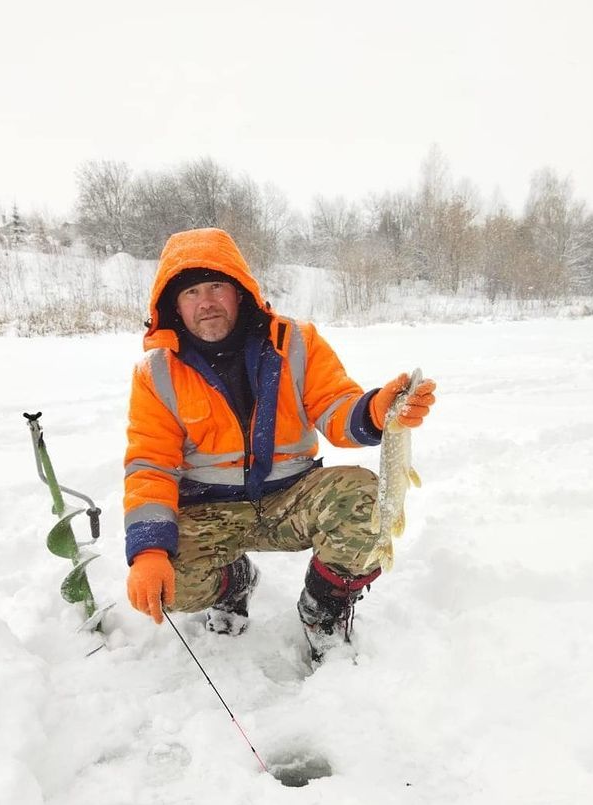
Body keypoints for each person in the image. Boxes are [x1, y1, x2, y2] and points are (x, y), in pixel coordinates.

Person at [124, 227, 436, 660]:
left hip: (293, 497)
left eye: (217, 286)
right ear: (173, 306)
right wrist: (149, 548)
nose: (206, 302)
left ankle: (323, 608)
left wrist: (376, 411)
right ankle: (234, 581)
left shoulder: (297, 342)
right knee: (171, 586)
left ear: (240, 290)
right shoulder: (155, 373)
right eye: (192, 292)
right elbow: (150, 465)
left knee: (365, 499)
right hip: (211, 510)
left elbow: (335, 407)